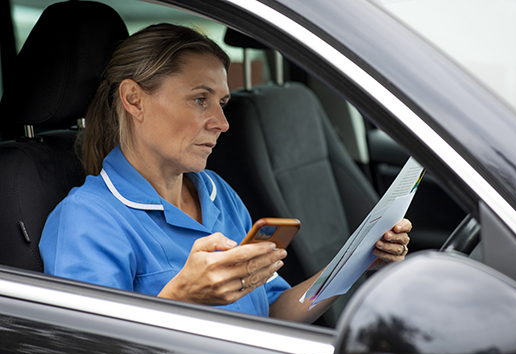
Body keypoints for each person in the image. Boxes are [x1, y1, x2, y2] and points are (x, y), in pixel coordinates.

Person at [39, 23, 412, 323]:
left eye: (222, 103)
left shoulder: (217, 192)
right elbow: (93, 346)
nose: (221, 123)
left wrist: (356, 262)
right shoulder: (88, 218)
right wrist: (182, 297)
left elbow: (271, 310)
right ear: (134, 99)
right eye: (200, 99)